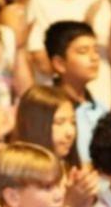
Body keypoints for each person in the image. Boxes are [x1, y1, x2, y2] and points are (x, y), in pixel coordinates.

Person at [24, 0, 111, 105]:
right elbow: (43, 63)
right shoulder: (38, 2)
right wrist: (84, 31)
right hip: (60, 103)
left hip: (101, 98)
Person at [43, 20, 106, 168]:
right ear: (59, 63)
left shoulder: (101, 109)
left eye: (96, 50)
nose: (94, 57)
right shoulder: (46, 107)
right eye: (83, 51)